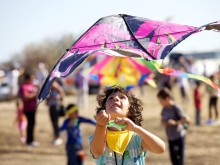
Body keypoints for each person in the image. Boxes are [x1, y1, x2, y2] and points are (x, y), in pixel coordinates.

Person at [90, 85, 165, 165]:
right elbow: (97, 152)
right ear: (104, 110)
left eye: (122, 97)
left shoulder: (136, 138)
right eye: (111, 98)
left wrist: (136, 128)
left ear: (130, 111)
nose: (115, 99)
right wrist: (100, 125)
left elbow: (160, 149)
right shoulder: (98, 136)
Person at [157, 88, 190, 165]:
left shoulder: (176, 108)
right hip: (170, 137)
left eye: (161, 101)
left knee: (180, 160)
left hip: (179, 137)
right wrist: (165, 123)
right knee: (173, 160)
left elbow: (187, 119)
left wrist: (175, 123)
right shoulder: (164, 109)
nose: (160, 103)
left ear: (167, 98)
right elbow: (162, 121)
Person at [18, 73, 39, 146]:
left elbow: (38, 90)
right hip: (27, 109)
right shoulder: (23, 87)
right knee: (29, 125)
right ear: (26, 79)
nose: (31, 80)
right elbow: (25, 97)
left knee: (32, 124)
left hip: (33, 108)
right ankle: (29, 141)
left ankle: (31, 140)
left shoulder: (32, 85)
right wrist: (34, 94)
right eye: (30, 79)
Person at [47, 79, 65, 145]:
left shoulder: (58, 88)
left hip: (55, 106)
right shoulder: (50, 89)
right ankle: (55, 137)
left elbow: (62, 97)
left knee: (56, 122)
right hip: (51, 106)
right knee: (53, 122)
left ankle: (58, 137)